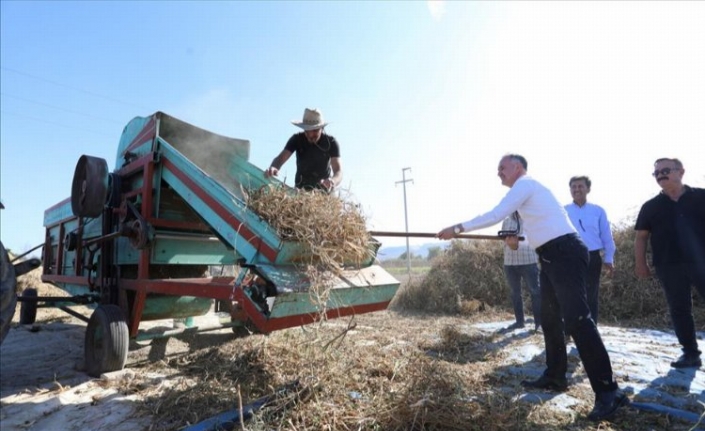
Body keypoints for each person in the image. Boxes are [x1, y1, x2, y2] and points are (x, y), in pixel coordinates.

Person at [436, 154, 628, 422]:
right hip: (550, 255)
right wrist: (518, 243)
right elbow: (541, 235)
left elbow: (495, 214)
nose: (498, 173)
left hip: (566, 253)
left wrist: (457, 228)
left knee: (578, 321)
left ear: (517, 167)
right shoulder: (530, 197)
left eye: (502, 168)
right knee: (549, 319)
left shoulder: (525, 184)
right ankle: (555, 375)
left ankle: (609, 392)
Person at [634, 157, 705, 369]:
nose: (660, 175)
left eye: (665, 170)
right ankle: (690, 353)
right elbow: (641, 237)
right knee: (679, 309)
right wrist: (641, 264)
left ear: (681, 171)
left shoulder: (701, 197)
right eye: (656, 173)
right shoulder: (651, 206)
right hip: (668, 264)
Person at [564, 176, 616, 323]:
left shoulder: (598, 211)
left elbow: (606, 236)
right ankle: (569, 330)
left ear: (588, 189)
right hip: (570, 258)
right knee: (570, 295)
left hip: (592, 257)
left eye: (580, 186)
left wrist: (608, 258)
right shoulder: (563, 211)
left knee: (590, 295)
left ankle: (591, 330)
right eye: (573, 187)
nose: (576, 190)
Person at [264, 108, 342, 192]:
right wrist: (274, 167)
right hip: (300, 192)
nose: (311, 135)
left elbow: (338, 171)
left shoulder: (331, 142)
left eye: (315, 130)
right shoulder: (296, 139)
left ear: (322, 128)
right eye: (308, 130)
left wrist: (332, 181)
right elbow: (280, 159)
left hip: (323, 194)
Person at [499, 213, 541, 333]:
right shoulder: (506, 221)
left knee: (535, 292)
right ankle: (519, 322)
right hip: (510, 262)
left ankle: (539, 324)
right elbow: (504, 241)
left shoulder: (531, 219)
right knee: (515, 293)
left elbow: (534, 240)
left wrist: (517, 244)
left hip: (528, 261)